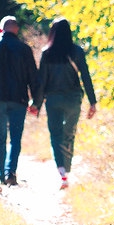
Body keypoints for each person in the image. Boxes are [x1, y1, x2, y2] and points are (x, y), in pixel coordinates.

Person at [0, 16, 39, 186]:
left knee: (0, 138)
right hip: (19, 100)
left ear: (0, 29)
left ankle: (0, 175)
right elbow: (33, 76)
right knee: (16, 138)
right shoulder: (24, 49)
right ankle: (10, 171)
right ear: (16, 29)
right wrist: (36, 101)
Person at [35, 18, 97, 189]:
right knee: (69, 134)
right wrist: (92, 102)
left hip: (53, 100)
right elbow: (85, 76)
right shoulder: (77, 51)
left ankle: (62, 172)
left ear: (52, 32)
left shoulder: (47, 53)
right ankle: (67, 168)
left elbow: (42, 81)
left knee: (55, 135)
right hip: (73, 99)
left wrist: (37, 105)